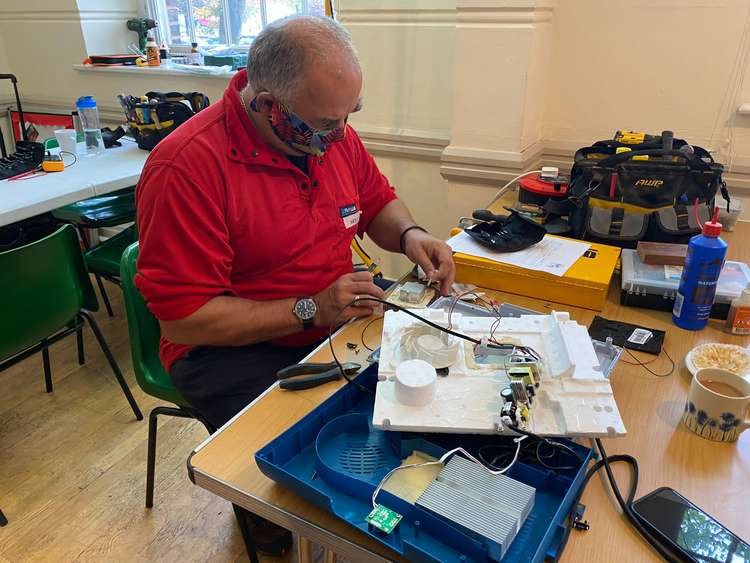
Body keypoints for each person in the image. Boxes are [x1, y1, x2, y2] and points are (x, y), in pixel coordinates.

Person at [136, 15, 454, 435]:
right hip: (226, 351)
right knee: (298, 465)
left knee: (424, 400)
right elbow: (185, 319)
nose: (342, 135)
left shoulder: (327, 134)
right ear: (268, 105)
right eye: (326, 124)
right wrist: (312, 308)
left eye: (350, 115)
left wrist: (412, 235)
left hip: (328, 318)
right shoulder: (185, 168)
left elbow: (377, 204)